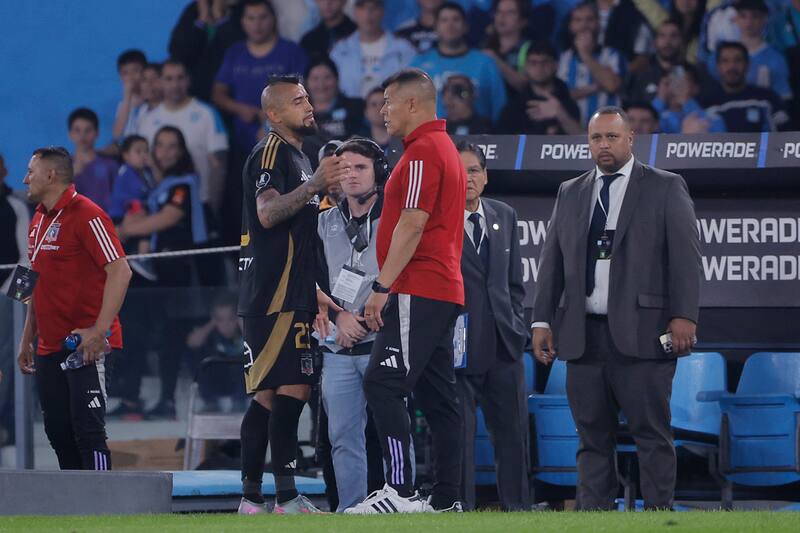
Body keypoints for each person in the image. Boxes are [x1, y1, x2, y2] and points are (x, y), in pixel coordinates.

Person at [531, 106, 701, 510]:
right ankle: (595, 517)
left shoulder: (664, 186)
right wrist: (541, 319)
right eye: (595, 138)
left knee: (652, 435)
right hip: (582, 335)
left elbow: (686, 258)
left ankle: (660, 516)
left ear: (630, 140)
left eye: (611, 137)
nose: (603, 145)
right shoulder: (571, 191)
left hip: (644, 334)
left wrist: (685, 316)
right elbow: (551, 261)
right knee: (591, 438)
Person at [346, 68, 466, 514]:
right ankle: (448, 498)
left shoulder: (420, 154)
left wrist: (382, 286)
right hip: (440, 288)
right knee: (438, 398)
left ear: (413, 104)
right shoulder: (443, 148)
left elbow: (412, 222)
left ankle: (399, 491)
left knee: (383, 382)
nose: (383, 111)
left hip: (418, 286)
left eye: (388, 102)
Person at [236, 75, 350, 514]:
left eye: (307, 98)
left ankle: (270, 497)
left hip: (295, 293)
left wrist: (316, 291)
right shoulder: (270, 152)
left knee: (287, 390)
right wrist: (316, 184)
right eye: (297, 100)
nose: (309, 105)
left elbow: (298, 238)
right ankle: (265, 497)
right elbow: (266, 214)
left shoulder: (299, 157)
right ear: (274, 113)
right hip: (271, 295)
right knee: (280, 391)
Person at [17, 146, 132, 470]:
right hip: (47, 345)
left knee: (88, 431)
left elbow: (121, 270)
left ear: (51, 175)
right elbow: (32, 279)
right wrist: (27, 337)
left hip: (84, 345)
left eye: (30, 171)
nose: (25, 178)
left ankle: (103, 504)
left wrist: (100, 331)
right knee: (57, 431)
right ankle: (76, 507)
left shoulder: (88, 213)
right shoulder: (38, 217)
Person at [316, 138, 390, 511]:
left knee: (396, 431)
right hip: (338, 345)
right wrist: (338, 316)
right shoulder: (323, 222)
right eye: (344, 169)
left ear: (377, 170)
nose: (352, 175)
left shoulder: (395, 218)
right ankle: (351, 512)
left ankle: (400, 500)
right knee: (342, 437)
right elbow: (306, 281)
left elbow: (407, 272)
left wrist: (368, 318)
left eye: (360, 167)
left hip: (384, 340)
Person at [455, 141, 529, 511]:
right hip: (458, 346)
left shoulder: (505, 214)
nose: (467, 178)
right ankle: (460, 512)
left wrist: (517, 326)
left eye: (473, 171)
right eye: (459, 171)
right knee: (459, 439)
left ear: (484, 176)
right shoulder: (435, 221)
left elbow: (515, 284)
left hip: (504, 344)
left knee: (513, 437)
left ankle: (518, 513)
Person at [118, 126, 209, 419]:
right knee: (139, 331)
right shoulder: (155, 183)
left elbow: (169, 217)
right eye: (160, 146)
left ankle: (169, 401)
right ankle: (132, 398)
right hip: (154, 271)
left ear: (181, 151)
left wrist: (123, 230)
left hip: (178, 271)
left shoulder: (184, 183)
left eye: (172, 146)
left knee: (173, 336)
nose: (166, 152)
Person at [213, 0, 308, 155]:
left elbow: (302, 96)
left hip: (283, 141)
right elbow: (217, 94)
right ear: (242, 22)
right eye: (251, 18)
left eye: (263, 17)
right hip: (239, 144)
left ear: (273, 19)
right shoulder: (235, 52)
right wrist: (239, 109)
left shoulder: (291, 51)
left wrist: (270, 121)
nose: (257, 24)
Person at [137, 59, 229, 215]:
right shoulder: (147, 120)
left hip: (200, 204)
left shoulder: (207, 114)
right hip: (158, 207)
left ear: (188, 80)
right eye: (169, 79)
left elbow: (219, 166)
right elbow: (140, 166)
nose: (175, 85)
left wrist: (213, 208)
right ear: (160, 82)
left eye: (180, 78)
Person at [412, 2, 508, 122]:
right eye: (444, 20)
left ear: (465, 26)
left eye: (456, 20)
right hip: (432, 138)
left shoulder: (486, 63)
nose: (450, 25)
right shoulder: (418, 66)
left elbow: (500, 108)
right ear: (435, 27)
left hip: (479, 137)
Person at [706, 0, 792, 101]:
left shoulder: (776, 59)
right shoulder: (719, 56)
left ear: (765, 19)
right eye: (743, 16)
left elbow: (783, 98)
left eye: (755, 16)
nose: (749, 22)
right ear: (735, 19)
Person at [330, 0, 417, 100]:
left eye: (374, 7)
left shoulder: (404, 49)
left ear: (382, 11)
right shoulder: (339, 51)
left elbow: (412, 87)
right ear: (354, 11)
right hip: (351, 112)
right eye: (362, 7)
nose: (368, 13)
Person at [557, 2, 625, 125]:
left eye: (589, 19)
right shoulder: (562, 58)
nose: (584, 25)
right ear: (571, 25)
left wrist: (585, 54)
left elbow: (611, 85)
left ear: (598, 23)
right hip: (570, 132)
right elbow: (561, 97)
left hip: (608, 128)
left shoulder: (612, 55)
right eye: (578, 20)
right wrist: (595, 87)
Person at [700, 41, 790, 132]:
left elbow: (785, 137)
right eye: (725, 61)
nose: (731, 66)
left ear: (747, 64)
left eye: (738, 60)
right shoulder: (705, 104)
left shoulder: (768, 98)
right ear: (718, 66)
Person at [496, 41, 582, 135]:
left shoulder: (568, 103)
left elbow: (581, 141)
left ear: (556, 65)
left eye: (545, 62)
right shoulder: (514, 106)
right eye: (533, 63)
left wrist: (560, 114)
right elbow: (502, 143)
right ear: (525, 66)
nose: (539, 67)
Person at [168, 0, 246, 101]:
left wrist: (220, 18)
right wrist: (202, 19)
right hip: (195, 99)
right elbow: (178, 54)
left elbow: (241, 52)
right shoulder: (192, 11)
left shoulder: (243, 9)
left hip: (233, 98)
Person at [186, 292, 247, 412]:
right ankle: (211, 403)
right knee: (195, 356)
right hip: (220, 380)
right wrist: (212, 323)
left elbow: (257, 343)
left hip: (242, 384)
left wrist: (241, 321)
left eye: (230, 319)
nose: (225, 325)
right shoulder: (211, 334)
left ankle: (239, 403)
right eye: (220, 319)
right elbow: (192, 343)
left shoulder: (243, 332)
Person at [68, 108, 120, 214]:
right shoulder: (62, 166)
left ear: (97, 133)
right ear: (71, 134)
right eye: (77, 130)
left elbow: (118, 200)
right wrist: (70, 176)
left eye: (88, 130)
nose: (83, 136)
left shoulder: (110, 166)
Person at [625, 18, 686, 105]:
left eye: (673, 36)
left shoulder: (691, 74)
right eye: (662, 36)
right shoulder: (641, 76)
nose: (667, 42)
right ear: (655, 42)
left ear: (681, 41)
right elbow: (634, 113)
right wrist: (660, 101)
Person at [305, 57, 367, 140]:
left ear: (337, 79)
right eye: (315, 79)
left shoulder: (357, 107)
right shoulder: (300, 114)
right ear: (306, 82)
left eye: (327, 77)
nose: (321, 85)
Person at [651, 65, 726, 134]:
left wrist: (687, 102)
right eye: (670, 82)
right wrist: (659, 99)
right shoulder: (660, 117)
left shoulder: (712, 115)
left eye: (682, 82)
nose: (676, 87)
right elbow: (645, 133)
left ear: (696, 88)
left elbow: (718, 137)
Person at [481, 0, 532, 95]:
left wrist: (496, 61)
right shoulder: (485, 46)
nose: (502, 16)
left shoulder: (530, 49)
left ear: (523, 21)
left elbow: (527, 86)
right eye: (498, 11)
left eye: (510, 12)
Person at [108, 135, 155, 223]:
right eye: (138, 152)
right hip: (119, 217)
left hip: (135, 214)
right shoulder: (125, 172)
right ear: (126, 156)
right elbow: (142, 191)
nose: (143, 155)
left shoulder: (146, 172)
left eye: (146, 151)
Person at [112, 50, 148, 142]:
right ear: (120, 77)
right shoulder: (123, 105)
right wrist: (127, 97)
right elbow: (117, 134)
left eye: (135, 70)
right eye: (125, 73)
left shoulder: (152, 101)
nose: (131, 77)